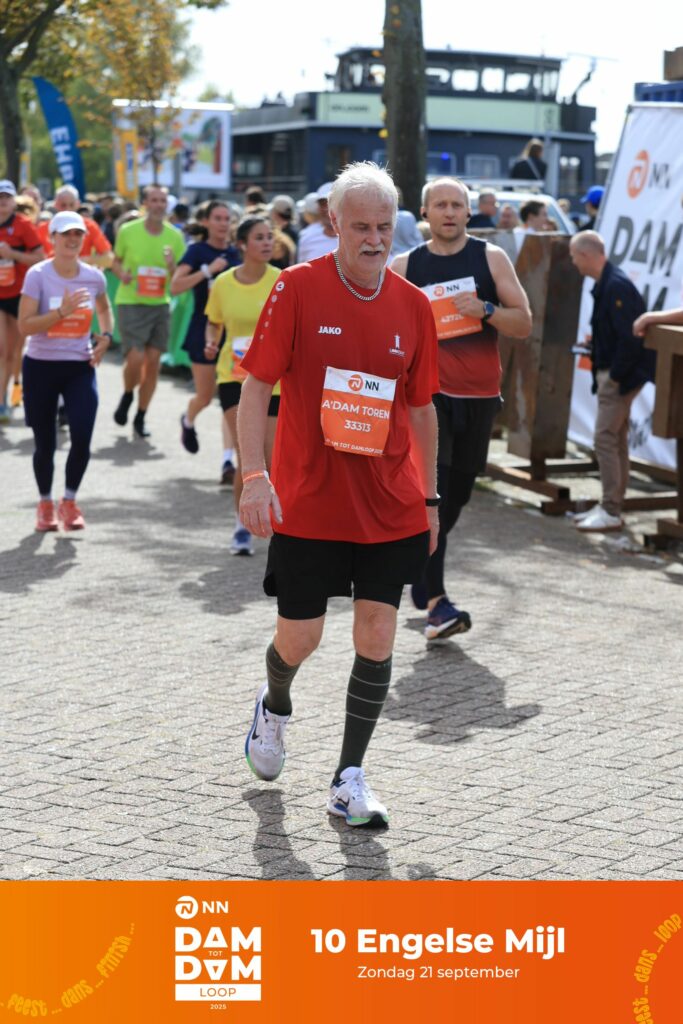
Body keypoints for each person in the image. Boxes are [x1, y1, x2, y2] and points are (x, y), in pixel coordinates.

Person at [237, 162, 440, 828]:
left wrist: (430, 499)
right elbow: (255, 387)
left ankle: (348, 777)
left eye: (383, 227)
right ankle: (274, 705)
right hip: (309, 499)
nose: (374, 239)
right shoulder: (296, 288)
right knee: (300, 638)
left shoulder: (412, 305)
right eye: (360, 227)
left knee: (377, 633)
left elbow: (420, 409)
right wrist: (254, 475)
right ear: (333, 224)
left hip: (389, 502)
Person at [392, 176, 531, 639]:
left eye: (457, 205)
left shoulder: (491, 258)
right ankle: (437, 604)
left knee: (458, 499)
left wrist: (484, 310)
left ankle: (419, 568)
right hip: (428, 401)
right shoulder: (405, 265)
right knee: (435, 497)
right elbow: (384, 330)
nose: (449, 212)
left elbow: (524, 323)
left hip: (480, 398)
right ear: (425, 213)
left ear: (469, 213)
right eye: (441, 205)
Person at [17, 211, 113, 531]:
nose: (73, 240)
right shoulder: (38, 275)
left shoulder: (94, 277)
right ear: (52, 238)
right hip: (41, 366)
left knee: (82, 436)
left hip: (79, 367)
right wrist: (61, 312)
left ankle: (69, 502)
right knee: (45, 443)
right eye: (66, 234)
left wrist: (106, 336)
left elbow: (104, 309)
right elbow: (25, 326)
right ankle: (45, 504)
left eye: (78, 234)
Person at [569, 231, 655, 532]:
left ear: (586, 255)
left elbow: (631, 340)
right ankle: (612, 505)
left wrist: (615, 376)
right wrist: (598, 345)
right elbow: (618, 333)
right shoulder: (609, 282)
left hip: (618, 377)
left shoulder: (615, 285)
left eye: (574, 256)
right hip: (615, 373)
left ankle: (610, 509)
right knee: (615, 440)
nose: (573, 262)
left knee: (605, 439)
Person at [204, 215, 280, 555]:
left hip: (275, 382)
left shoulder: (283, 281)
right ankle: (241, 527)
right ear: (242, 245)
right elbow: (214, 322)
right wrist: (211, 341)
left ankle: (278, 526)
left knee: (271, 458)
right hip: (234, 377)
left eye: (270, 237)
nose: (267, 243)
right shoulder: (223, 283)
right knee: (246, 454)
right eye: (259, 237)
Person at [111, 184, 185, 438]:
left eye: (162, 201)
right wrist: (122, 275)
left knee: (153, 363)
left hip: (160, 303)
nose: (158, 205)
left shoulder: (175, 236)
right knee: (135, 358)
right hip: (131, 301)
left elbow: (178, 277)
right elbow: (115, 261)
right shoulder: (128, 231)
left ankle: (141, 416)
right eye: (154, 200)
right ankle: (127, 394)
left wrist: (171, 266)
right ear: (145, 203)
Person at [171, 200, 241, 458]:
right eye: (217, 218)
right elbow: (175, 286)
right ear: (206, 222)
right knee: (205, 395)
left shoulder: (237, 253)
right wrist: (207, 271)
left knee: (232, 397)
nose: (223, 223)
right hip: (204, 328)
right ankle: (188, 420)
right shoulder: (197, 251)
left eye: (227, 219)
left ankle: (228, 460)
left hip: (234, 333)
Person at [0, 180, 44, 423]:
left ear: (13, 201)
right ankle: (2, 401)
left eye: (7, 197)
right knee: (2, 350)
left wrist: (12, 254)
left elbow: (40, 257)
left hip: (19, 295)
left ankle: (16, 391)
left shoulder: (23, 225)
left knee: (15, 351)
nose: (2, 202)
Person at [39, 185, 113, 269]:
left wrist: (80, 261)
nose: (67, 209)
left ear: (78, 204)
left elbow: (108, 258)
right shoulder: (42, 228)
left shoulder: (89, 226)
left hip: (81, 275)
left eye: (78, 233)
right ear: (55, 204)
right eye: (63, 205)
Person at [296, 183, 338, 262]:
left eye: (332, 203)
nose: (327, 209)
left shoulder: (354, 239)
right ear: (318, 208)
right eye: (323, 204)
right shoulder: (307, 239)